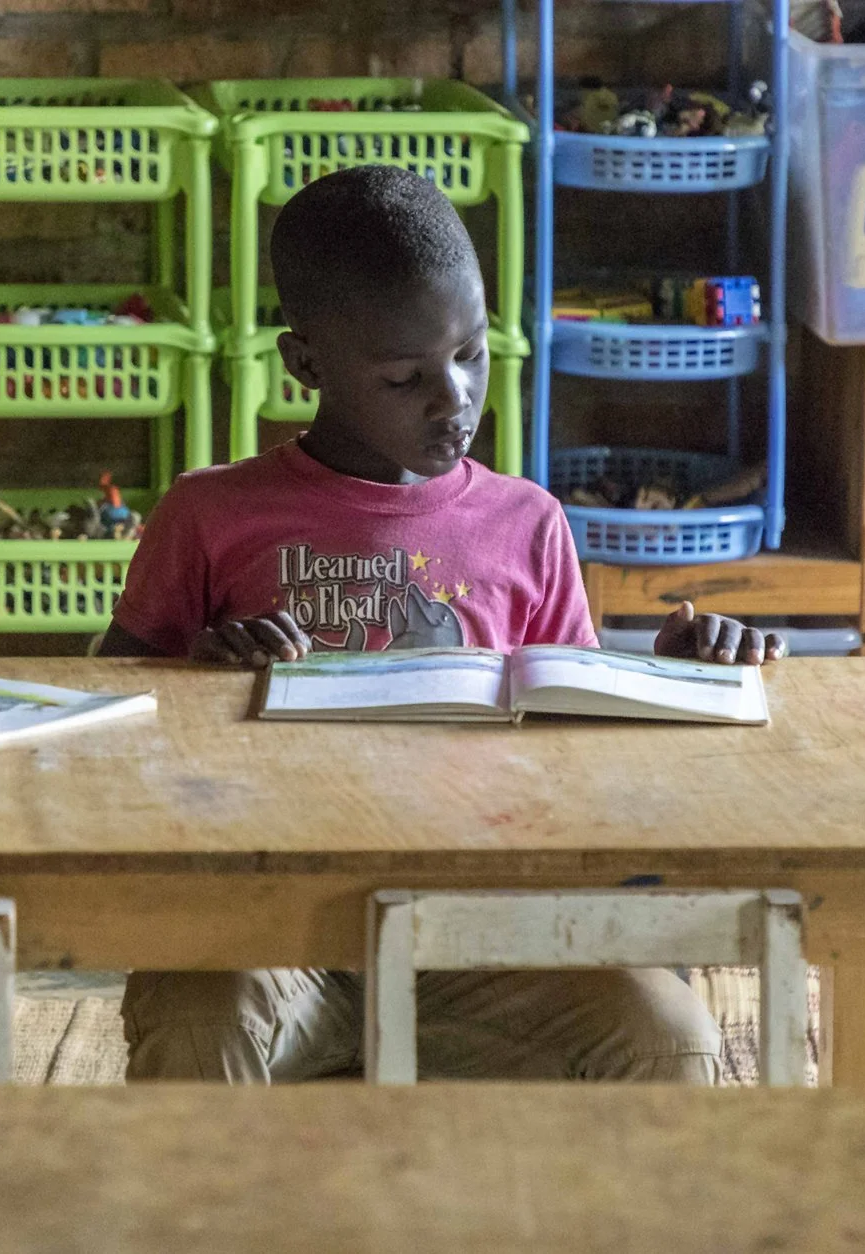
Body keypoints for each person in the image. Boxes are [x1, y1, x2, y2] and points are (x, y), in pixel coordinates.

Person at [98, 163, 785, 1084]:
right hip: (266, 932)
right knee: (197, 1026)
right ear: (307, 365)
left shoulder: (527, 523)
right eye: (403, 376)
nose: (453, 396)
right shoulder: (211, 514)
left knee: (669, 1039)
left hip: (479, 933)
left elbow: (572, 743)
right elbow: (107, 719)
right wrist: (196, 675)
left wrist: (666, 677)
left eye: (471, 352)